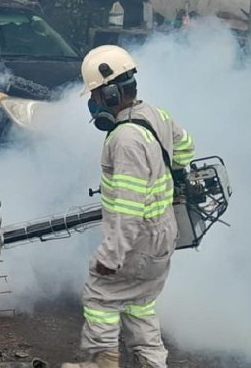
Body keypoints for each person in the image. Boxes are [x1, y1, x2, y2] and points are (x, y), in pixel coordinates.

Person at [63, 45, 195, 368]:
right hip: (164, 234)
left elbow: (129, 207)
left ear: (109, 94)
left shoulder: (124, 140)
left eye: (94, 95)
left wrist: (112, 254)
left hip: (138, 240)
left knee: (99, 298)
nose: (92, 103)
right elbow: (186, 148)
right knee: (139, 304)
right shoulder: (157, 115)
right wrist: (172, 175)